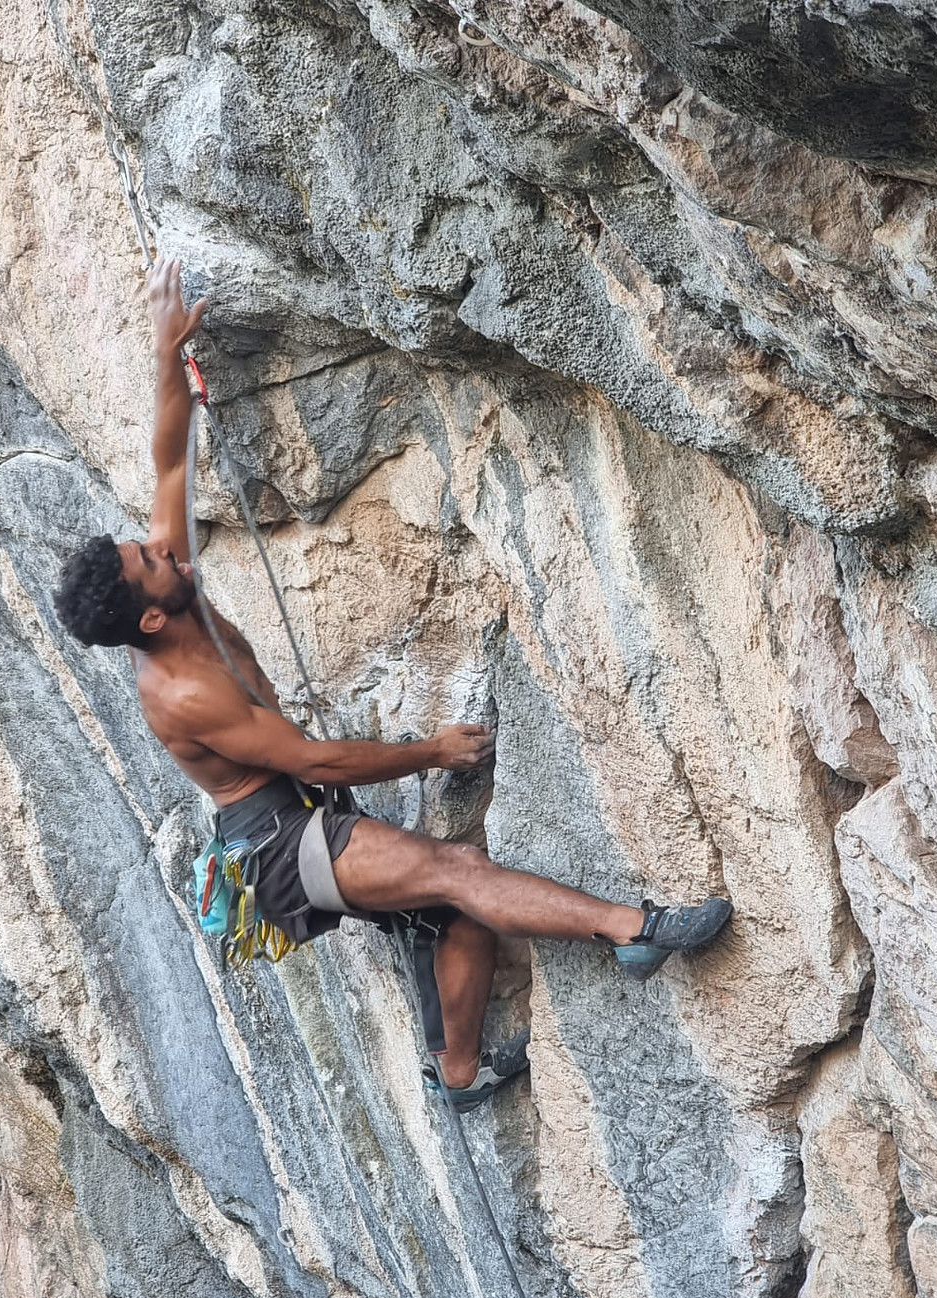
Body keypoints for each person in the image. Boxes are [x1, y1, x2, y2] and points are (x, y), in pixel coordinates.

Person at [54, 258, 732, 1110]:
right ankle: (635, 929)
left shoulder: (165, 592)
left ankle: (459, 1072)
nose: (164, 547)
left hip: (294, 812)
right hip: (278, 847)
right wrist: (431, 751)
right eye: (150, 561)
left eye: (147, 545)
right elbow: (318, 762)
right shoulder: (186, 694)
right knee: (455, 868)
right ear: (149, 618)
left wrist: (166, 352)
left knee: (453, 910)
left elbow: (167, 465)